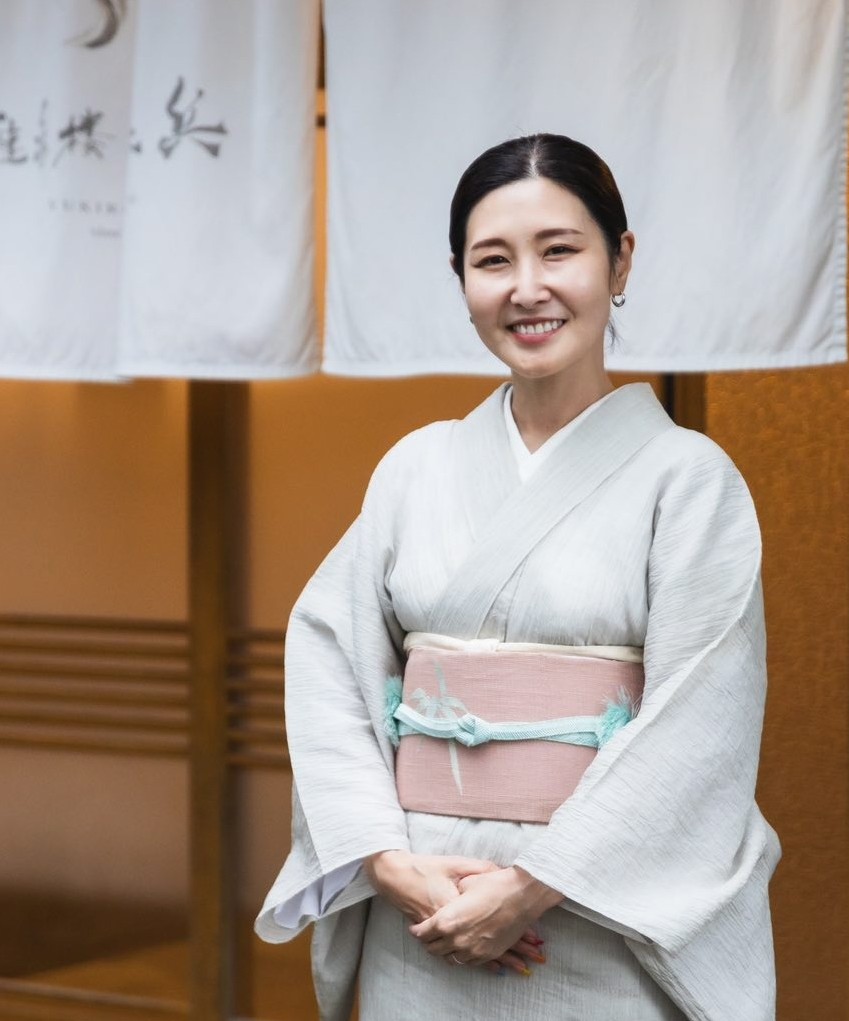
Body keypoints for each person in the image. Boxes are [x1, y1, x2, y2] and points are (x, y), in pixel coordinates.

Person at [256, 133, 780, 1021]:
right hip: (421, 906)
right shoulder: (415, 468)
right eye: (492, 260)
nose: (526, 288)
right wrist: (387, 861)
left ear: (619, 261)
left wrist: (533, 885)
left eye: (559, 251)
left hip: (596, 913)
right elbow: (328, 668)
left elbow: (701, 723)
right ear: (460, 277)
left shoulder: (687, 479)